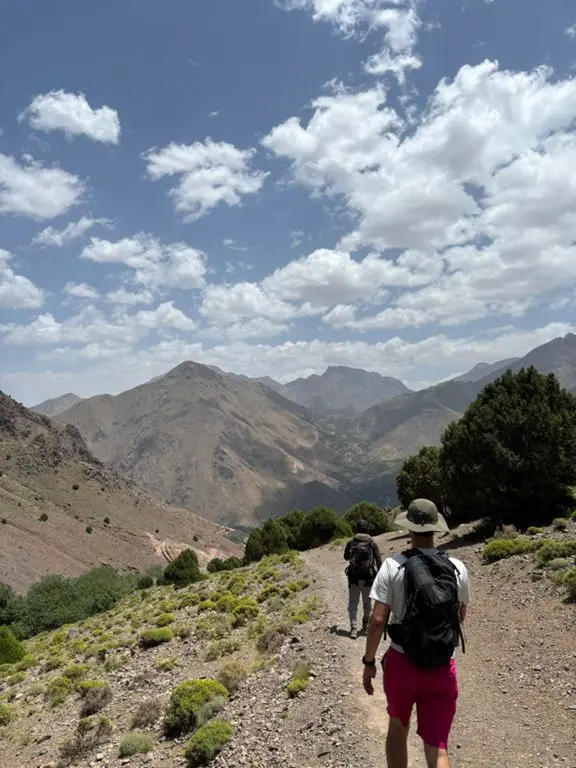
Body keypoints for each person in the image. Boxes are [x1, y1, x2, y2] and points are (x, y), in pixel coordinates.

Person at [361, 499, 471, 768]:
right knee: (438, 748)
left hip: (402, 662)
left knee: (398, 728)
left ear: (409, 529)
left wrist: (369, 661)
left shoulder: (392, 566)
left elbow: (377, 620)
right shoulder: (457, 568)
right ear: (435, 529)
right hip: (442, 665)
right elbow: (459, 616)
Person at [344, 519, 382, 639]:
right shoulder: (372, 543)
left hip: (354, 578)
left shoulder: (351, 542)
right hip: (369, 578)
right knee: (367, 604)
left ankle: (353, 628)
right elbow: (379, 561)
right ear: (367, 529)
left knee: (353, 603)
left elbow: (345, 557)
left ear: (357, 529)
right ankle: (365, 624)